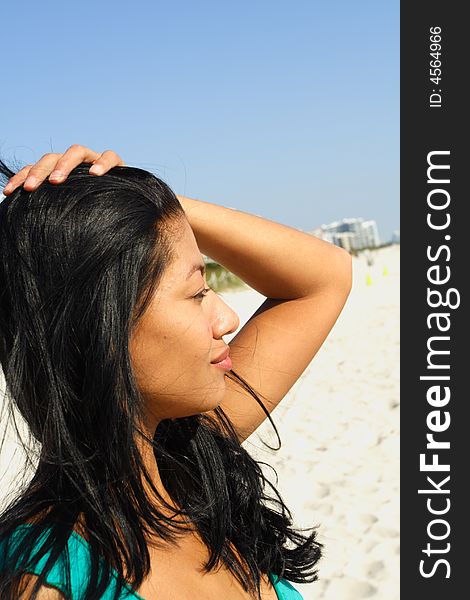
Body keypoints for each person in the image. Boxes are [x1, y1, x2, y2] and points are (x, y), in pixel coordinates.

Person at [0, 145, 352, 599]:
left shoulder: (190, 461)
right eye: (196, 292)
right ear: (103, 325)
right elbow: (322, 281)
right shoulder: (52, 581)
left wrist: (136, 198)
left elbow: (324, 276)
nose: (226, 319)